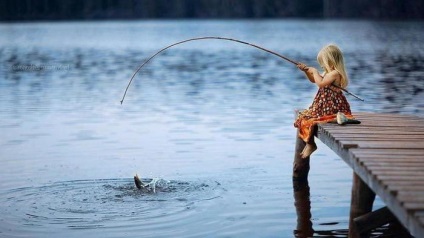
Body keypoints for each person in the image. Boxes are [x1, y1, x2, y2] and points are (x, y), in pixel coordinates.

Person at [294, 44, 354, 159]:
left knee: (310, 120)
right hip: (323, 105)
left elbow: (320, 84)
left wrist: (315, 71)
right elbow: (314, 80)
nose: (321, 65)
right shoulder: (327, 73)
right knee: (303, 118)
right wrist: (307, 71)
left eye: (323, 62)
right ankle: (310, 143)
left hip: (331, 106)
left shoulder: (335, 73)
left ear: (331, 60)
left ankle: (311, 144)